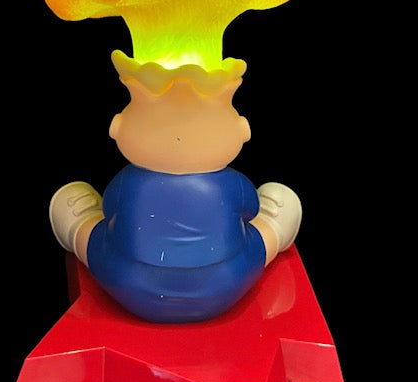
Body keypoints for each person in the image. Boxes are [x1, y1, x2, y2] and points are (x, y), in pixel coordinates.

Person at [49, 60, 302, 323]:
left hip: (129, 287)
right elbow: (251, 211)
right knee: (259, 237)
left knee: (94, 235)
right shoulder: (233, 184)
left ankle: (76, 221)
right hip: (225, 287)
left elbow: (108, 210)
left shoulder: (127, 182)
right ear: (240, 129)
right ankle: (277, 225)